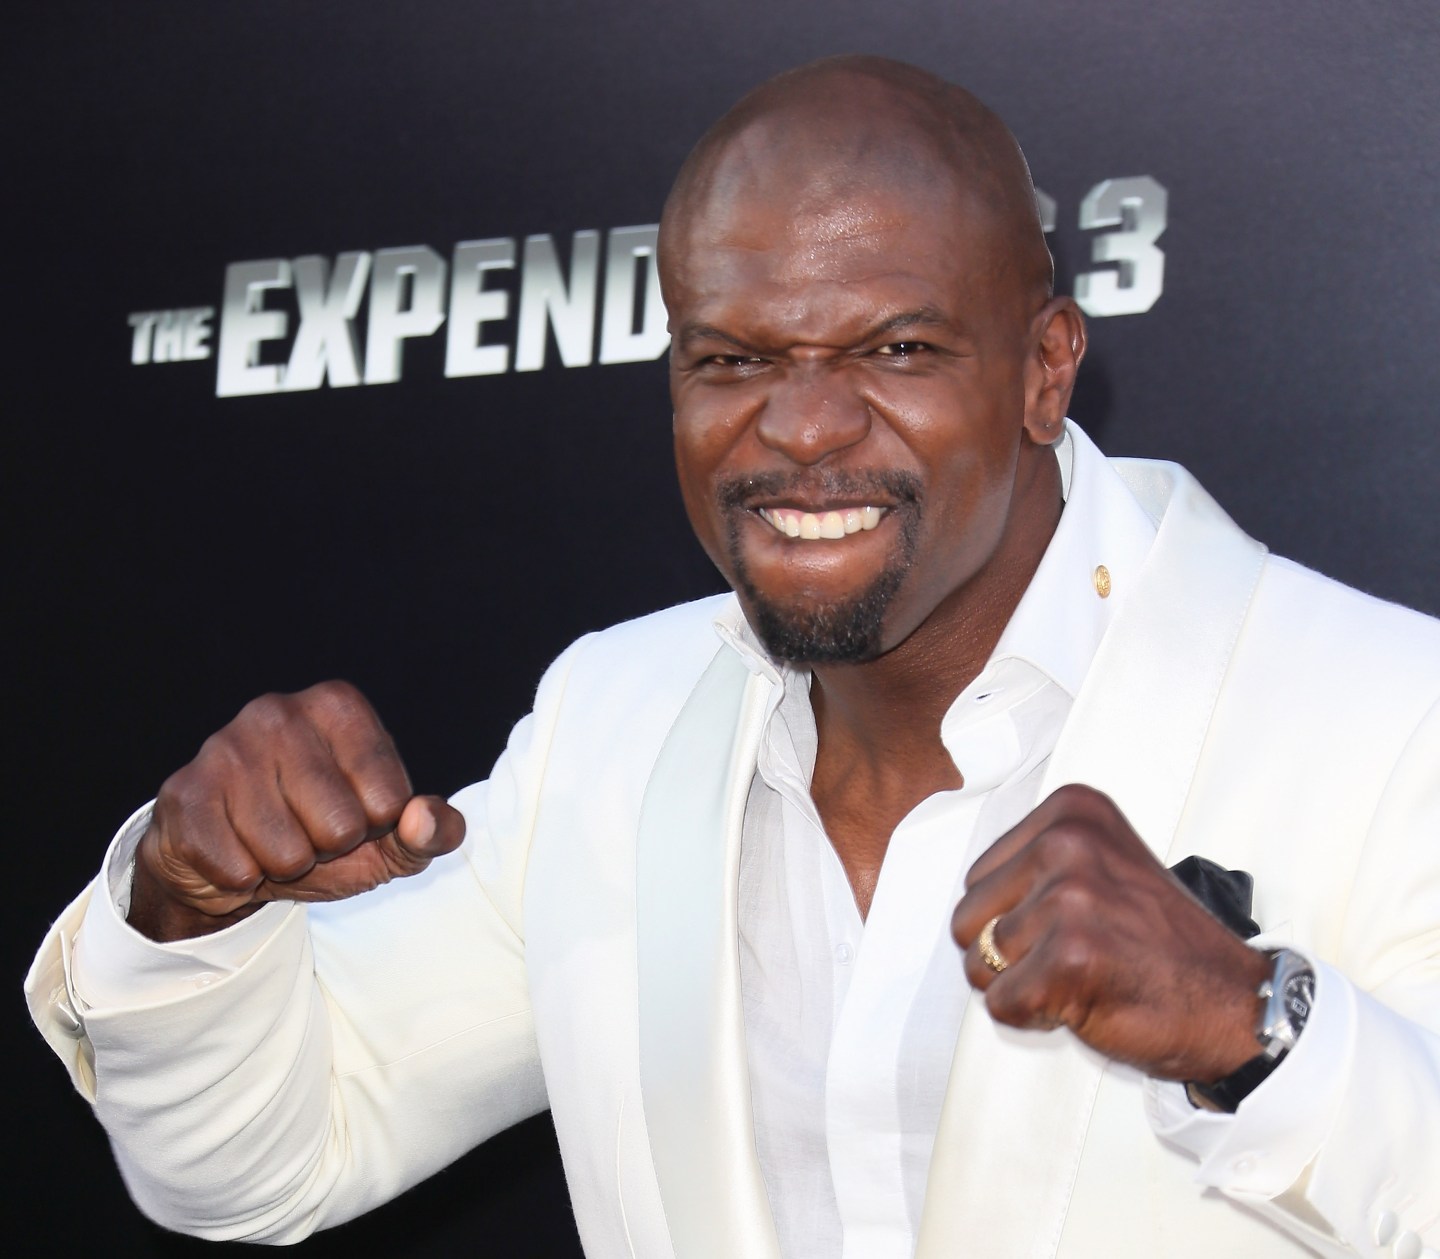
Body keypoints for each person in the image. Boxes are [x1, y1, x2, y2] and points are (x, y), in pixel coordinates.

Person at [25, 55, 1440, 1259]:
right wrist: (187, 912)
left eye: (895, 348)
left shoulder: (1386, 719)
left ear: (1043, 367)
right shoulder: (613, 726)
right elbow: (262, 1164)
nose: (804, 427)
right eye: (734, 359)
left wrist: (1254, 1030)